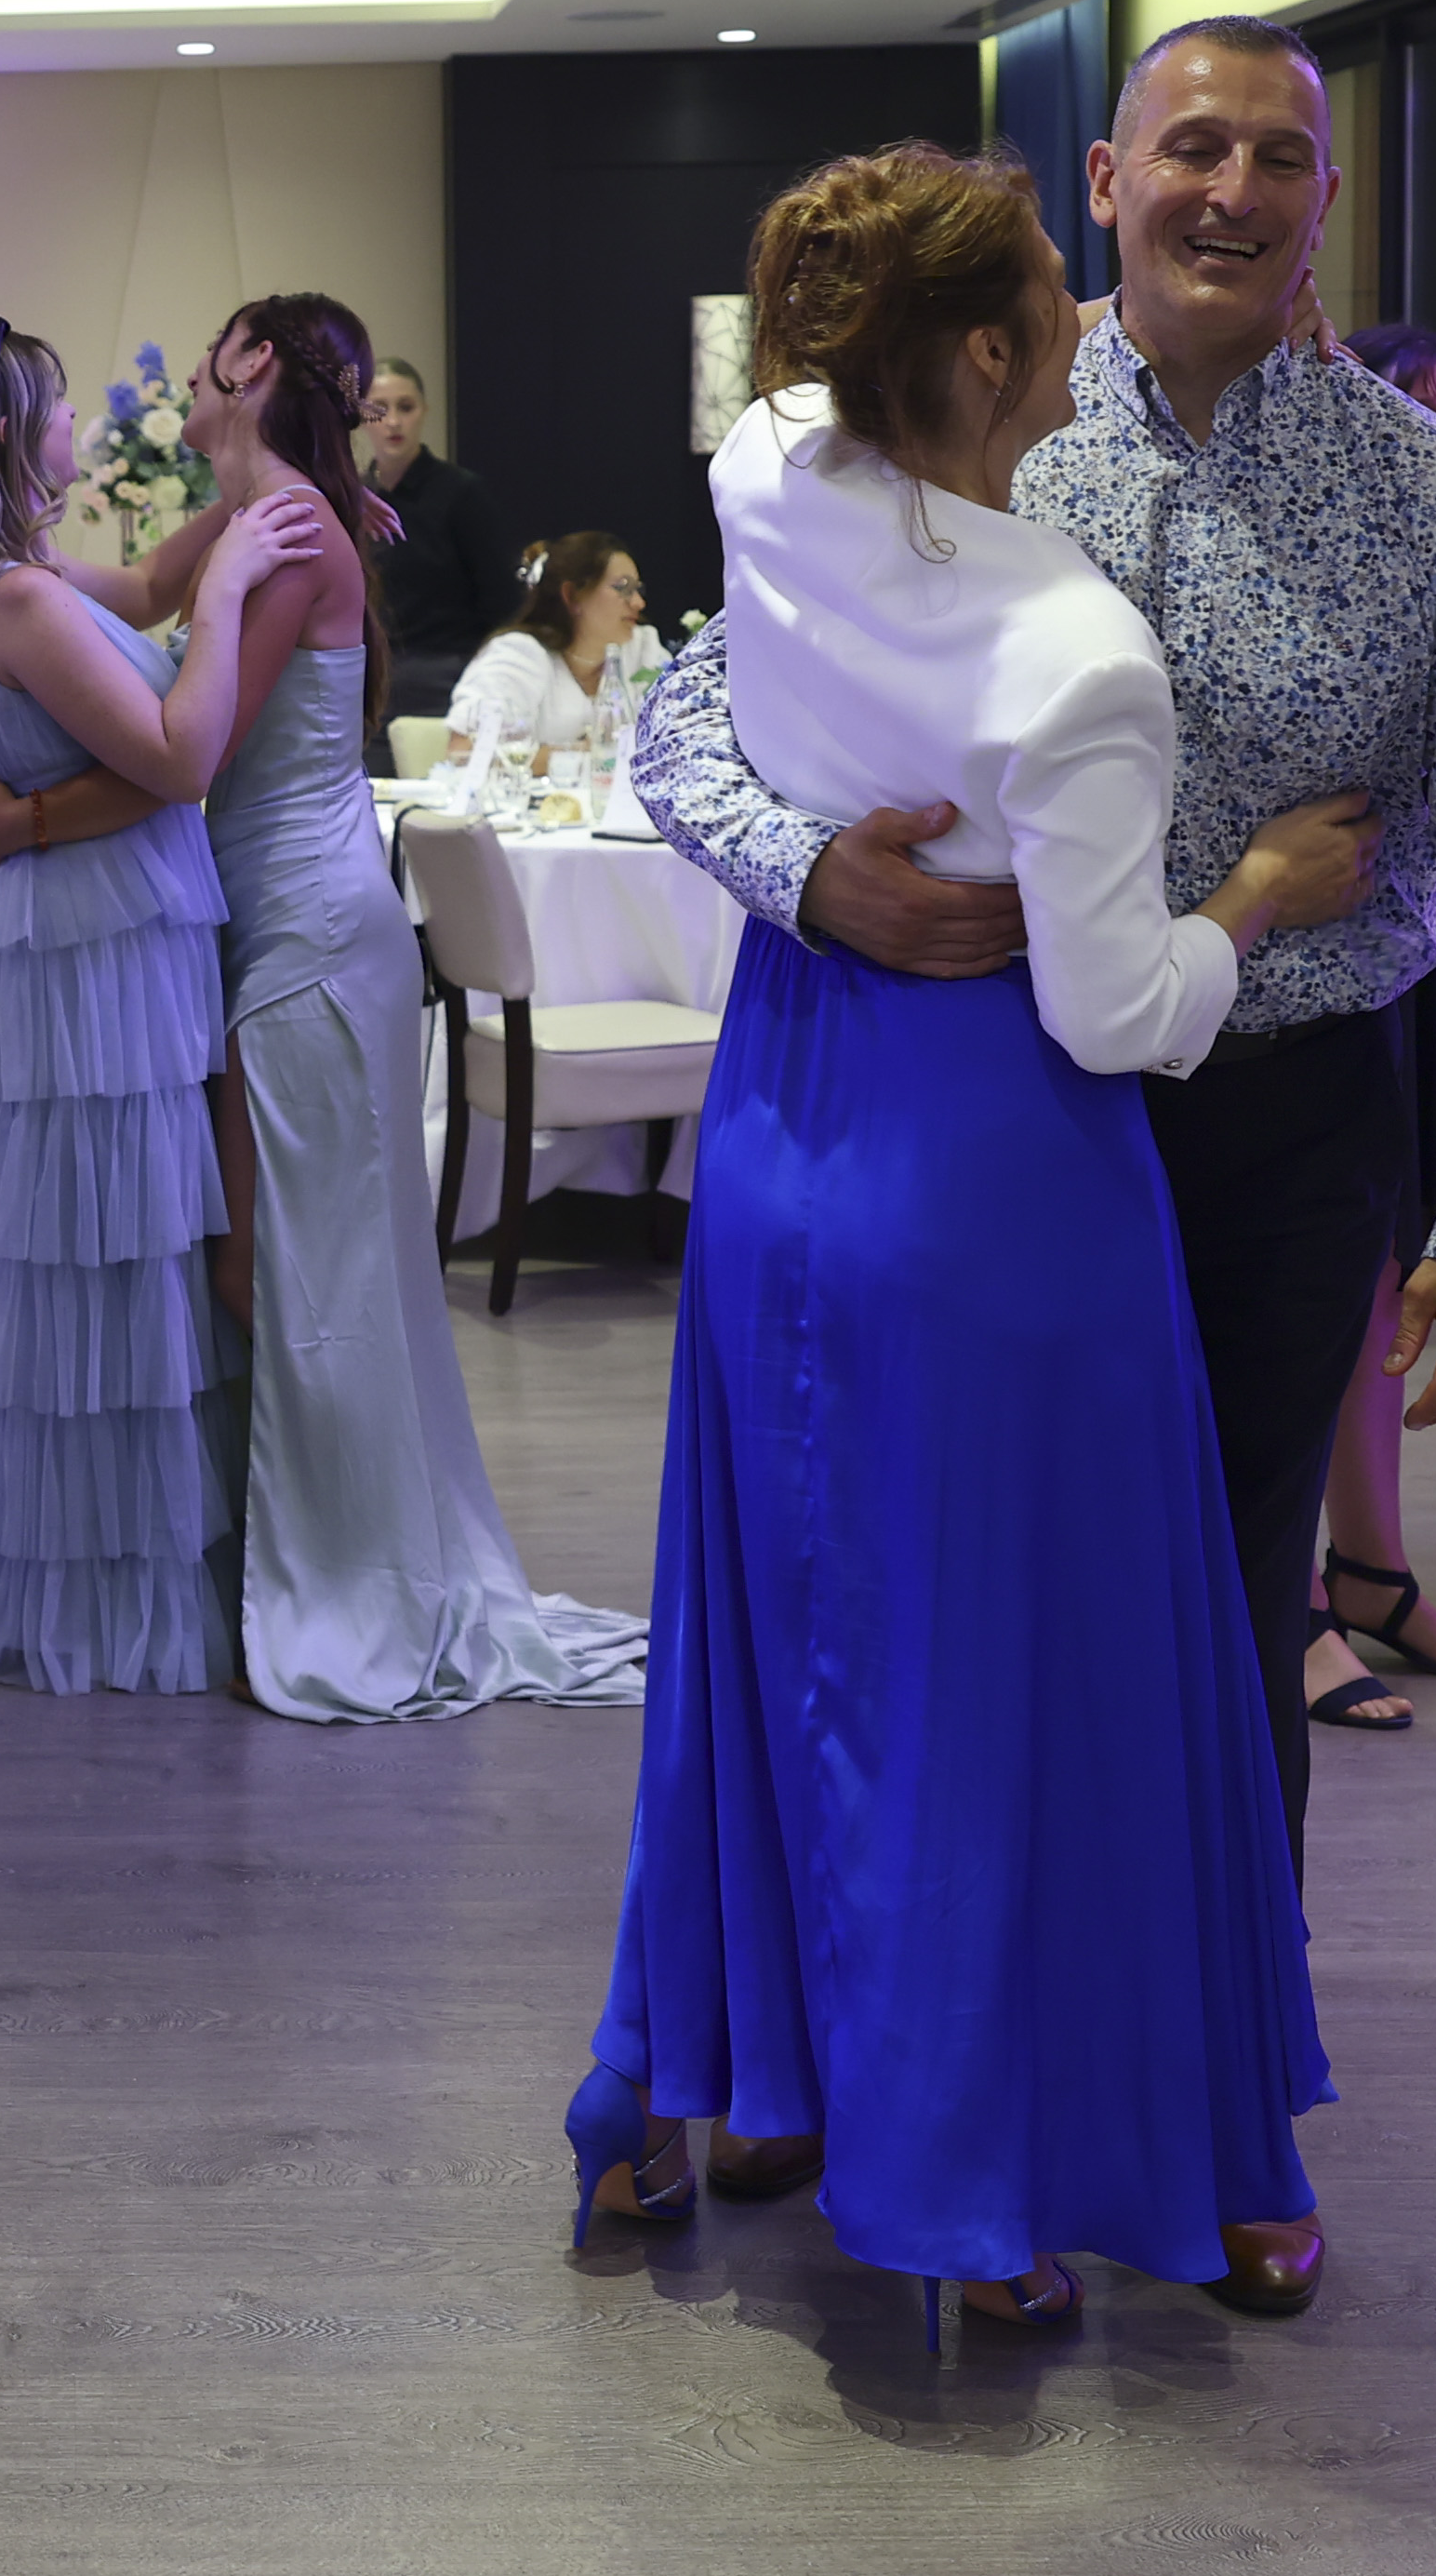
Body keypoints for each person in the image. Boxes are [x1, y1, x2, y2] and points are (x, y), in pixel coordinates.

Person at [637, 21, 1436, 1858]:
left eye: (1279, 157)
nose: (1232, 191)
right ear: (1107, 179)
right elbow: (686, 719)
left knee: (1228, 1611)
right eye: (1193, 148)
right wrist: (809, 870)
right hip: (996, 1122)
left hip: (1285, 1132)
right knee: (978, 1601)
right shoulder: (961, 405)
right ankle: (981, 1975)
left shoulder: (1435, 499)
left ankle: (1214, 1997)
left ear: (1327, 196)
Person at [578, 142, 1364, 2329]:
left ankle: (744, 2067)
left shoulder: (762, 473)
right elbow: (1117, 1009)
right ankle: (974, 2173)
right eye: (1054, 286)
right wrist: (1254, 899)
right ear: (1007, 348)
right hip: (997, 1170)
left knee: (798, 1626)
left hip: (786, 1119)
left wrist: (804, 864)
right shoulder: (1074, 648)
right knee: (1016, 1675)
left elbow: (710, 674)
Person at [0, 295, 646, 1722]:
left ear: (256, 369)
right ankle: (299, 1569)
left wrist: (25, 821)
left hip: (308, 940)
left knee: (285, 1272)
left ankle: (350, 1590)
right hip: (263, 925)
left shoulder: (286, 532)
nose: (191, 365)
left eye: (217, 347)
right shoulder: (248, 521)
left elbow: (187, 753)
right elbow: (128, 594)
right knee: (269, 1265)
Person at [0, 316, 337, 1694]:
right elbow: (184, 756)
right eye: (60, 403)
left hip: (91, 935)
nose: (78, 422)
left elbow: (136, 587)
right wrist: (236, 586)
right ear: (10, 435)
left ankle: (89, 1575)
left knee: (104, 1266)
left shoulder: (5, 581)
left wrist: (250, 510)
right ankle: (112, 1601)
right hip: (94, 954)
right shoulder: (15, 601)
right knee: (113, 1264)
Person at [1301, 324, 1436, 1733]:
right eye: (1419, 410)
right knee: (1312, 1287)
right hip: (1307, 943)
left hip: (1423, 943)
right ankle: (1295, 1607)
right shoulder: (1316, 546)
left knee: (1387, 1279)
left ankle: (1372, 1570)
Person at [357, 354, 512, 736]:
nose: (393, 421)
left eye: (406, 407)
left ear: (424, 411)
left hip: (446, 674)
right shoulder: (353, 497)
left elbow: (501, 600)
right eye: (380, 408)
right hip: (368, 675)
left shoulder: (461, 493)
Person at [438, 530, 669, 770]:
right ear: (572, 595)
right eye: (622, 588)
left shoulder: (643, 648)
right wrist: (591, 754)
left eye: (638, 590)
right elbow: (464, 752)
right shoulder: (519, 653)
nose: (638, 603)